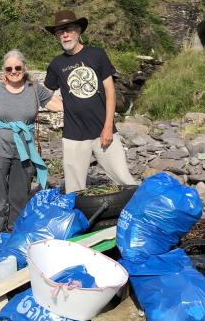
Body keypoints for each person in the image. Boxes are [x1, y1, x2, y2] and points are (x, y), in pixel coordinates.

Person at [44, 10, 137, 193]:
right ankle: (78, 219)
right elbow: (45, 95)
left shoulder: (97, 54)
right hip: (73, 135)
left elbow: (110, 91)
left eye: (68, 29)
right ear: (56, 36)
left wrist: (108, 126)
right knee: (74, 189)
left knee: (125, 180)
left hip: (102, 130)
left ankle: (140, 214)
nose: (65, 34)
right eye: (60, 31)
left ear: (78, 30)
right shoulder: (56, 64)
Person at [0, 50, 63, 236]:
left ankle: (16, 233)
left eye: (18, 67)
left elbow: (57, 104)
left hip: (25, 149)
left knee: (20, 194)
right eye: (9, 68)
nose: (14, 71)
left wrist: (84, 106)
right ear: (4, 71)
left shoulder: (35, 88)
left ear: (25, 68)